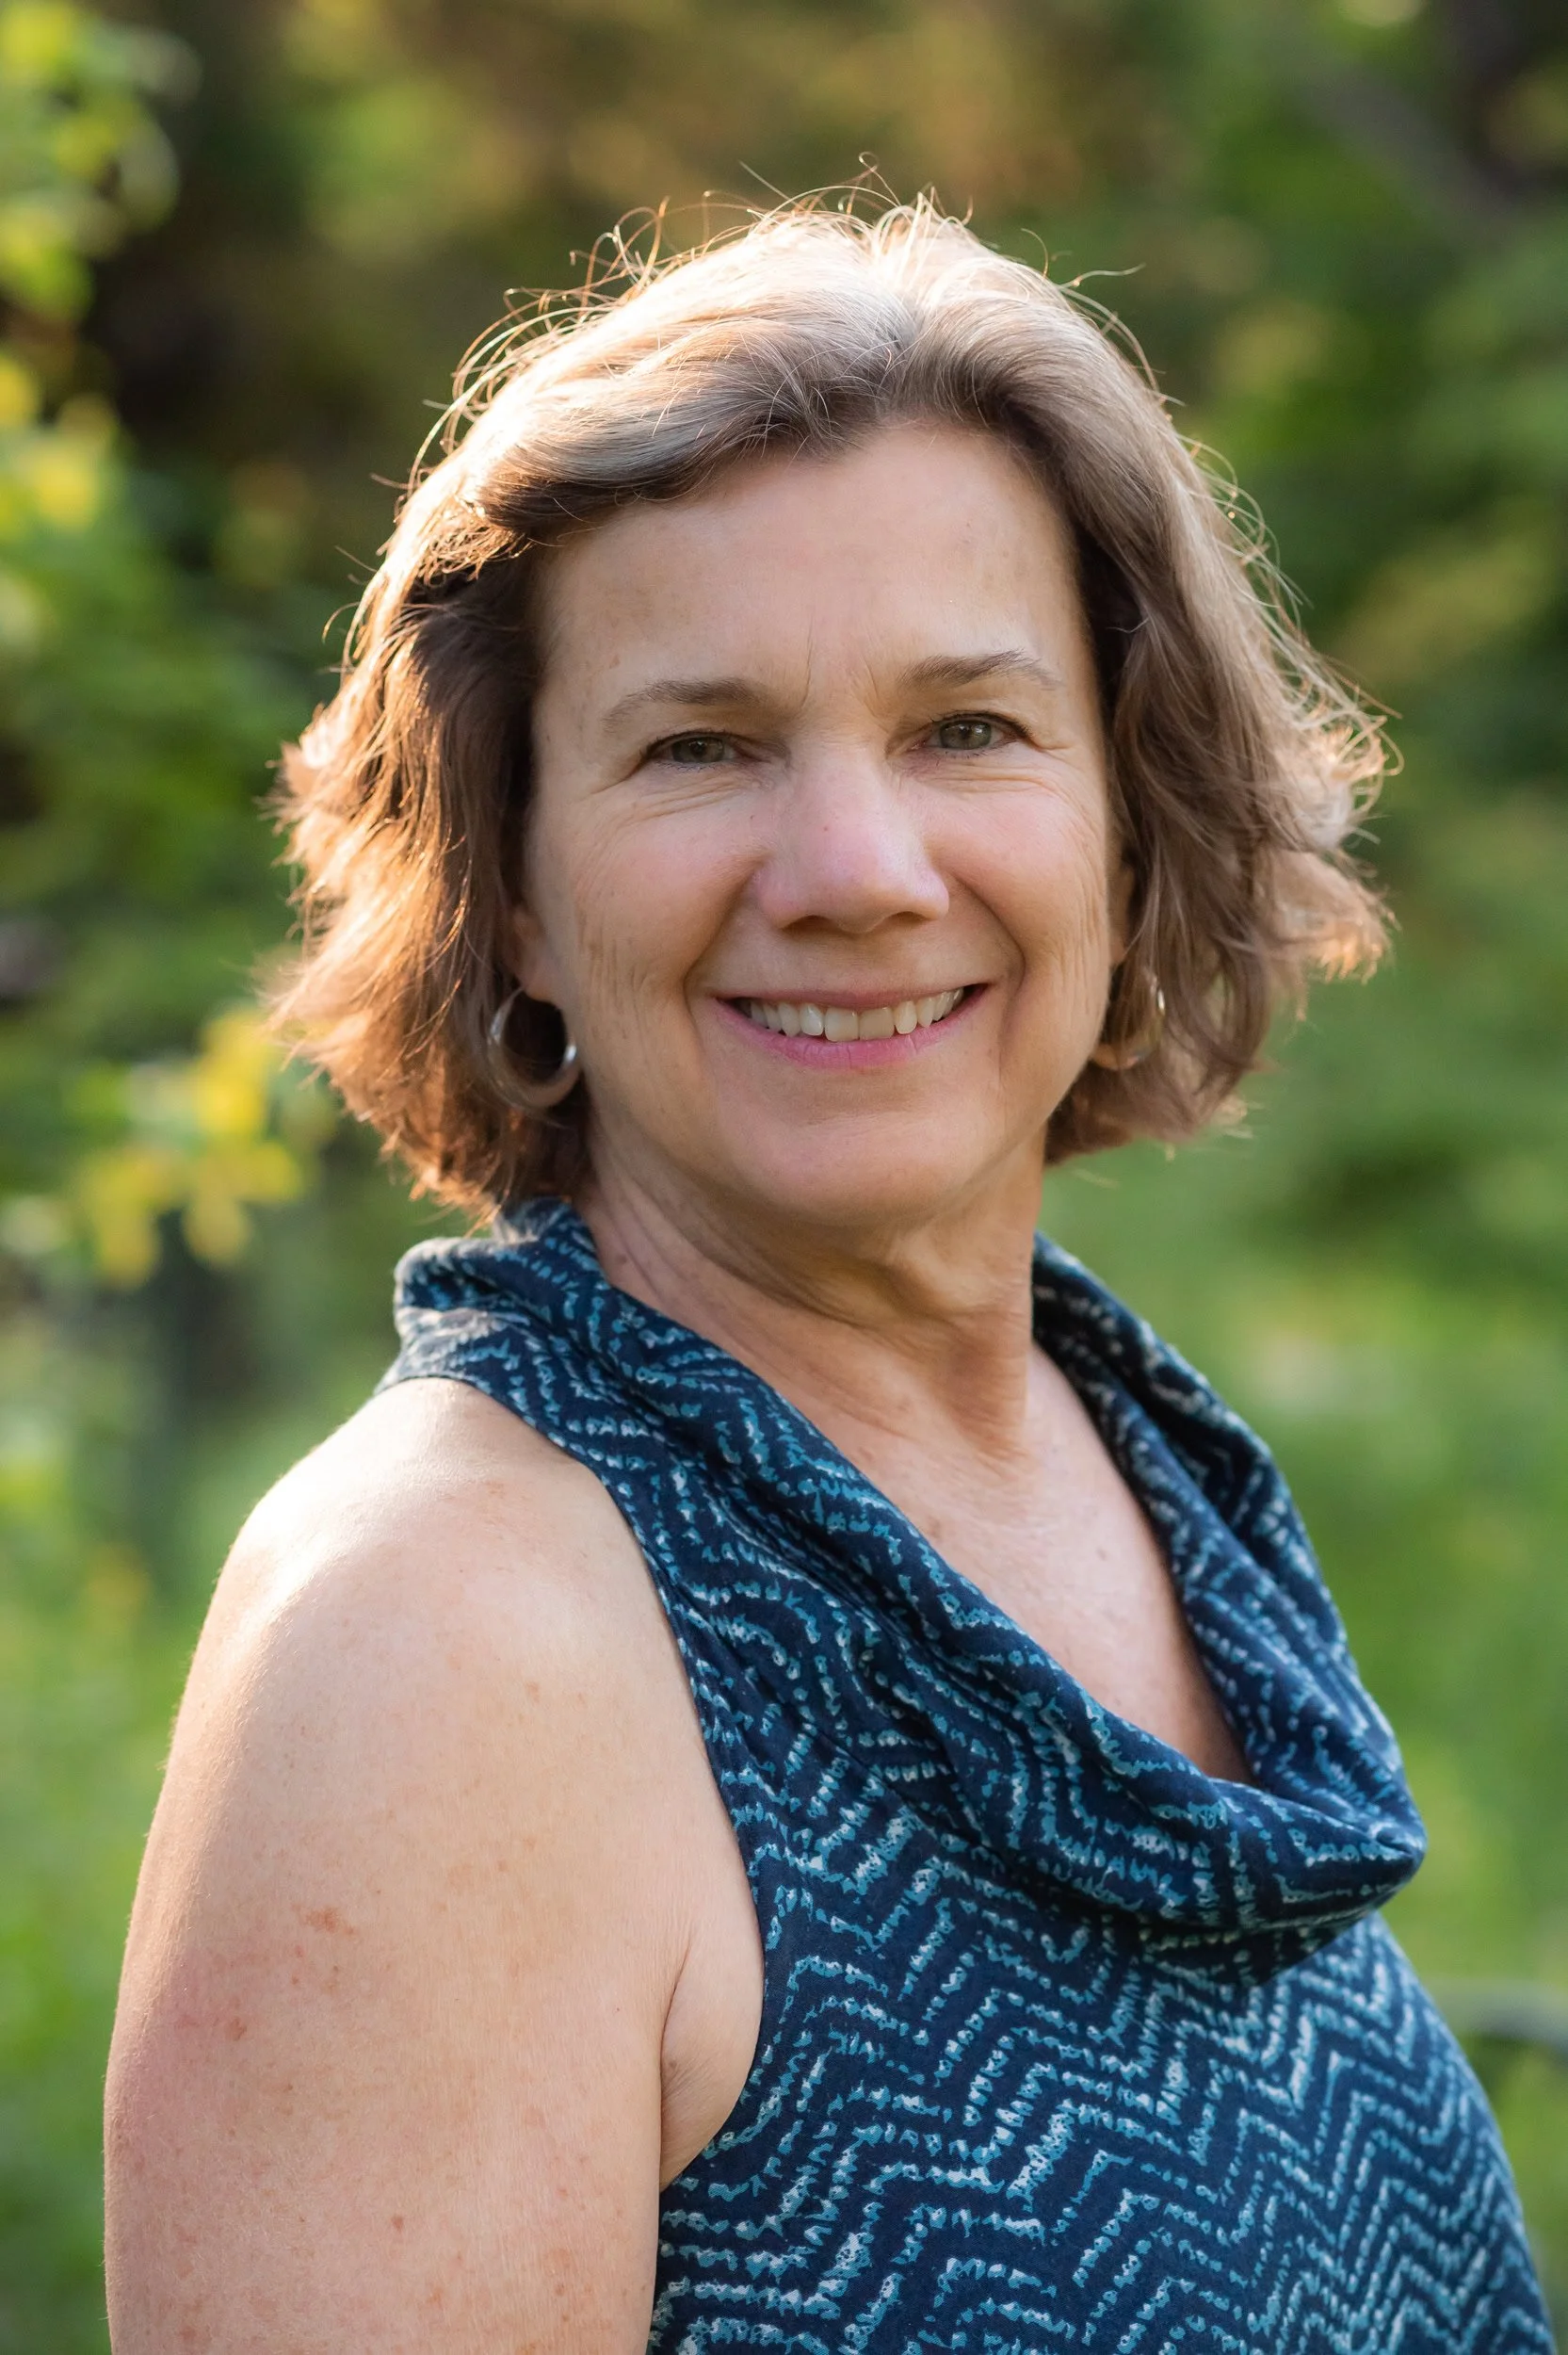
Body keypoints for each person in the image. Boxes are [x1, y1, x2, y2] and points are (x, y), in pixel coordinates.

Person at [104, 199, 1550, 2351]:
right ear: (508, 890)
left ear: (1129, 821)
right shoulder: (442, 1641)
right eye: (701, 746)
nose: (859, 873)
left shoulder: (1126, 1460)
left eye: (968, 728)